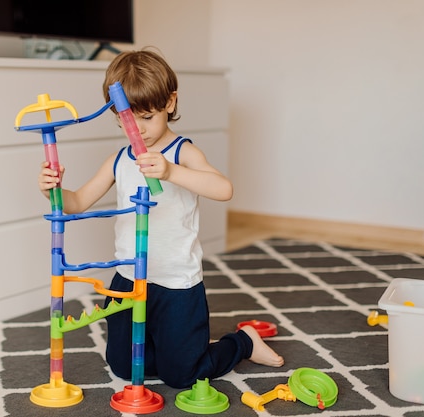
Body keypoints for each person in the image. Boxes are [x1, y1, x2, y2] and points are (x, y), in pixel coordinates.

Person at [37, 48, 284, 389]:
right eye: (128, 119)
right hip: (128, 277)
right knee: (124, 367)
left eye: (148, 117)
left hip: (175, 282)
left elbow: (223, 188)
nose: (139, 129)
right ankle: (169, 347)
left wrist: (170, 171)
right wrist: (54, 189)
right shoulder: (118, 159)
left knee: (183, 375)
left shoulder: (183, 151)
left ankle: (243, 342)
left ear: (170, 103)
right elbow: (76, 203)